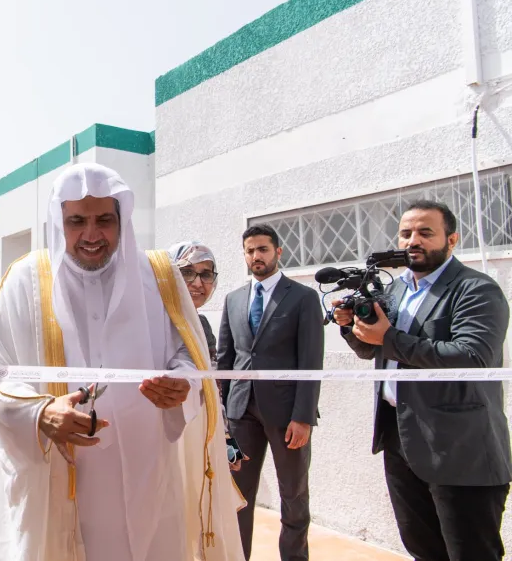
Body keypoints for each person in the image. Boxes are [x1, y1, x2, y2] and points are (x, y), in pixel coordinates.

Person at [0, 163, 244, 561]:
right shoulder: (26, 279)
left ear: (122, 220)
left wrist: (183, 382)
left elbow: (189, 351)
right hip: (63, 477)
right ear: (58, 221)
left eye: (104, 219)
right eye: (76, 221)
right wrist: (39, 412)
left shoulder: (160, 275)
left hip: (150, 473)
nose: (90, 234)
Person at [333, 200, 510, 561]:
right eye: (406, 233)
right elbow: (375, 351)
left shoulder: (476, 289)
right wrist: (352, 328)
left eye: (426, 233)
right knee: (424, 552)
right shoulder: (396, 290)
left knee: (471, 553)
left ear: (452, 239)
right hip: (402, 441)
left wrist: (388, 338)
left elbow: (471, 357)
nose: (413, 240)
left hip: (460, 448)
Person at [216, 224, 323, 561]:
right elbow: (225, 359)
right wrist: (221, 416)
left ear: (278, 252)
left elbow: (310, 361)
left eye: (262, 249)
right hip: (239, 413)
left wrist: (303, 417)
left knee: (293, 495)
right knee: (237, 493)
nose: (255, 256)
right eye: (250, 251)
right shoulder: (233, 299)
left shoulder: (303, 297)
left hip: (287, 414)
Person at [168, 241, 249, 474]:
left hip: (202, 430)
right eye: (187, 272)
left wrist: (226, 439)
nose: (197, 283)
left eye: (206, 275)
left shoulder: (201, 324)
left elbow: (213, 387)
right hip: (165, 438)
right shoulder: (154, 322)